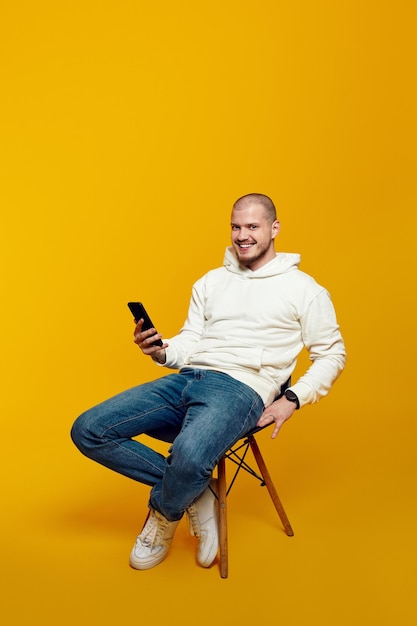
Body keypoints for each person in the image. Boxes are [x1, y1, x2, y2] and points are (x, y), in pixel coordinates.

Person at [71, 193, 346, 571]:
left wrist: (293, 398)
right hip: (188, 378)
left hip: (241, 389)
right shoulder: (211, 282)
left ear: (274, 228)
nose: (242, 235)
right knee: (89, 430)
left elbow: (332, 353)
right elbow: (191, 341)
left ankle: (164, 513)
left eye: (253, 226)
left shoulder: (304, 289)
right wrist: (161, 351)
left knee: (188, 456)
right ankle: (197, 492)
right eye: (236, 227)